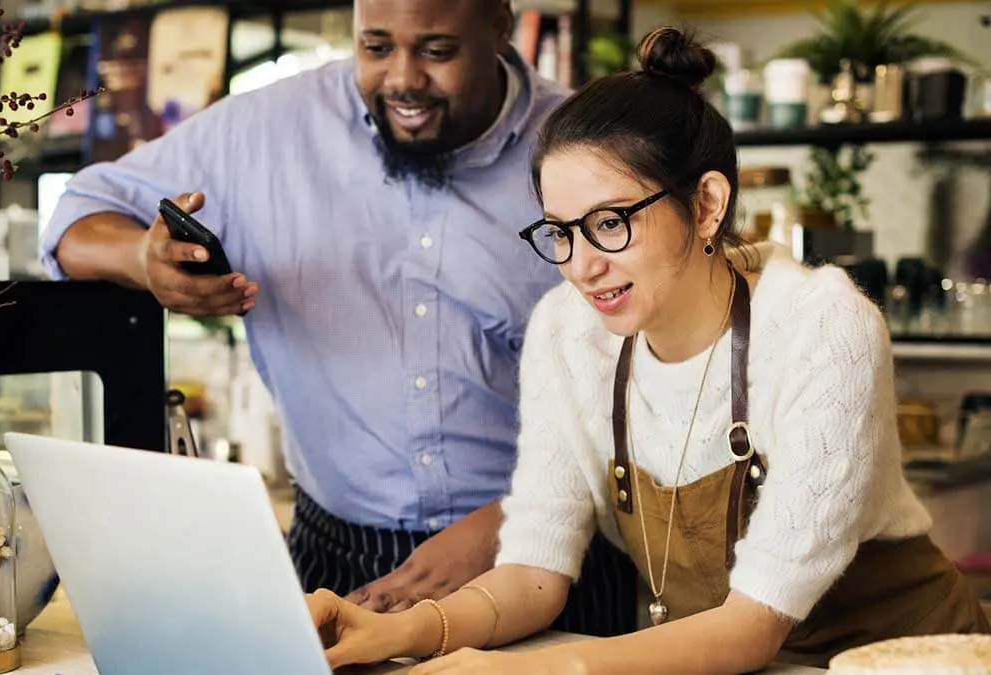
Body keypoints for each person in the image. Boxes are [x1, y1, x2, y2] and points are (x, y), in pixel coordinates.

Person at [305, 27, 991, 674]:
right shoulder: (567, 332)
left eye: (609, 223)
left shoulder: (822, 328)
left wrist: (527, 668)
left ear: (706, 206)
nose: (580, 265)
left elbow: (752, 624)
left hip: (906, 658)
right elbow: (535, 571)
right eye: (560, 232)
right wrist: (405, 631)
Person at [40, 0, 637, 636]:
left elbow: (668, 377)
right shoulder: (263, 132)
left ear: (499, 27)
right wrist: (142, 257)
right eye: (375, 47)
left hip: (553, 550)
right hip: (341, 558)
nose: (404, 78)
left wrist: (518, 521)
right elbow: (77, 216)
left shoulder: (588, 149)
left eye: (437, 51)